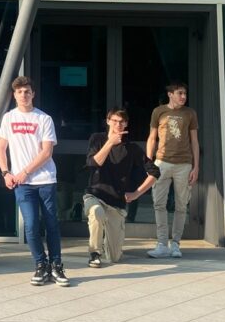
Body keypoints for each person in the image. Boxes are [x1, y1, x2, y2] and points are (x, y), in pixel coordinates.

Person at [0, 76, 68, 286]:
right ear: (14, 95)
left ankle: (56, 265)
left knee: (51, 224)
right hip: (22, 184)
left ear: (33, 94)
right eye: (19, 92)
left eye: (27, 91)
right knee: (30, 225)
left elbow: (47, 152)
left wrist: (24, 172)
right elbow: (0, 149)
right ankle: (40, 264)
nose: (24, 95)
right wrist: (5, 173)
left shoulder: (44, 119)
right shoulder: (8, 118)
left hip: (45, 180)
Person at [85, 108, 160, 268]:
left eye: (121, 122)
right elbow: (93, 163)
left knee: (114, 257)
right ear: (108, 121)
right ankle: (95, 253)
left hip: (116, 203)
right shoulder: (97, 139)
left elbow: (155, 172)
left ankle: (109, 243)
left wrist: (136, 194)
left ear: (126, 124)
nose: (118, 125)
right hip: (95, 195)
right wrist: (110, 142)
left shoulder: (132, 148)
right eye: (114, 121)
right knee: (96, 212)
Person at [146, 81, 199, 259]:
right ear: (170, 94)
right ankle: (162, 244)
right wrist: (149, 163)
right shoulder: (158, 111)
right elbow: (152, 138)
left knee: (181, 205)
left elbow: (194, 141)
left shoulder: (190, 113)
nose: (183, 97)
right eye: (180, 93)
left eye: (185, 93)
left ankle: (175, 243)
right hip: (161, 162)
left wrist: (196, 167)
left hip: (184, 164)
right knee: (159, 203)